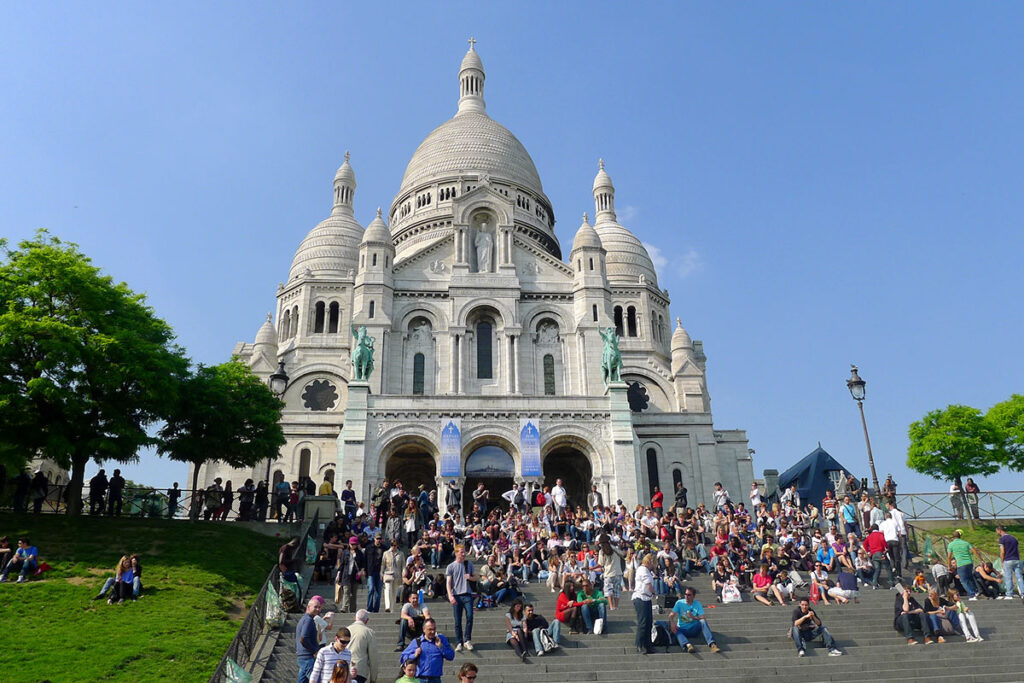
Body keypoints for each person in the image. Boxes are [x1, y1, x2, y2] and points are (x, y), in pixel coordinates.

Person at [399, 618, 454, 683]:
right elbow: (402, 658)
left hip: (435, 679)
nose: (433, 632)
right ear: (424, 630)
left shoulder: (441, 639)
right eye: (430, 629)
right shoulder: (417, 642)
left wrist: (441, 647)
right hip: (420, 679)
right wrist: (414, 655)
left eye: (434, 629)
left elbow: (451, 656)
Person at [671, 587, 720, 653]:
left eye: (689, 595)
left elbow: (703, 617)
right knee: (674, 629)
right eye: (685, 594)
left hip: (693, 629)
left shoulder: (697, 604)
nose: (686, 596)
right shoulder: (679, 603)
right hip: (682, 629)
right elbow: (671, 615)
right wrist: (672, 622)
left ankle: (712, 644)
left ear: (693, 596)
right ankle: (687, 645)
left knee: (702, 621)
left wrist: (693, 617)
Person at [445, 546, 475, 652]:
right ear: (456, 553)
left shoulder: (469, 564)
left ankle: (467, 640)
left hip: (467, 594)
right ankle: (459, 642)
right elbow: (448, 582)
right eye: (461, 552)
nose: (463, 554)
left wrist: (470, 577)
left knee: (470, 616)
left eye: (464, 552)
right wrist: (450, 595)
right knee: (457, 620)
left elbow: (476, 577)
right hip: (456, 595)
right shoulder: (451, 566)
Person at [946, 529, 983, 599]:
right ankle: (976, 591)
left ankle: (972, 594)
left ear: (953, 537)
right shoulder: (966, 543)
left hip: (961, 564)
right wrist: (981, 560)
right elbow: (974, 551)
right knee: (970, 577)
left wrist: (949, 566)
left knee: (963, 580)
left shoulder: (951, 544)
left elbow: (949, 557)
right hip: (969, 562)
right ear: (960, 536)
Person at [632, 553, 656, 654]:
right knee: (643, 622)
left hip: (646, 598)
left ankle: (648, 645)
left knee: (649, 623)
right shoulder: (642, 570)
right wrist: (655, 592)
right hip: (640, 597)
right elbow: (648, 584)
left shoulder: (647, 571)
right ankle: (639, 644)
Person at [297, 596, 324, 683]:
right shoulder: (308, 620)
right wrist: (314, 651)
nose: (317, 609)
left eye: (319, 607)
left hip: (304, 657)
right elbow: (303, 638)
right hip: (308, 658)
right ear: (308, 607)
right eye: (315, 607)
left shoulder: (306, 619)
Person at [335, 536, 366, 612]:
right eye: (351, 544)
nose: (353, 546)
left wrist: (361, 571)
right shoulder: (345, 552)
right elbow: (342, 564)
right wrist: (338, 574)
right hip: (346, 575)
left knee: (353, 594)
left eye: (354, 544)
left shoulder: (359, 553)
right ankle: (344, 608)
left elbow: (363, 564)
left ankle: (352, 609)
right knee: (346, 592)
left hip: (355, 576)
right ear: (349, 544)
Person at [347, 609, 378, 683]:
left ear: (355, 618)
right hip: (360, 669)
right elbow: (373, 656)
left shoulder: (345, 629)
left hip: (345, 668)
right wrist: (373, 678)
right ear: (367, 620)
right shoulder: (369, 632)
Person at [996, 525, 1023, 599]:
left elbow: (1002, 551)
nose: (997, 532)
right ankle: (1023, 593)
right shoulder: (1014, 538)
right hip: (1016, 559)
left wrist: (1002, 561)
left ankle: (1009, 594)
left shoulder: (1002, 539)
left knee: (1008, 578)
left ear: (1000, 530)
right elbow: (1018, 550)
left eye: (997, 531)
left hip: (1008, 559)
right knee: (1019, 577)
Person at [381, 539, 405, 613]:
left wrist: (403, 574)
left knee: (394, 593)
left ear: (397, 545)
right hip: (388, 574)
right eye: (392, 545)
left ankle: (392, 609)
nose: (393, 547)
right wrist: (381, 573)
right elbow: (383, 564)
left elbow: (403, 565)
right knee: (387, 589)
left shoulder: (401, 554)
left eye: (394, 545)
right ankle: (387, 606)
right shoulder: (386, 553)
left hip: (397, 575)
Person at [364, 535, 385, 612]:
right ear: (374, 539)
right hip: (371, 571)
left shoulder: (384, 548)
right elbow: (365, 559)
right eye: (377, 539)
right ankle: (369, 608)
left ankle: (376, 609)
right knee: (371, 589)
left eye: (380, 539)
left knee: (378, 592)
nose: (378, 540)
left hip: (380, 572)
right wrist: (364, 570)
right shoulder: (369, 547)